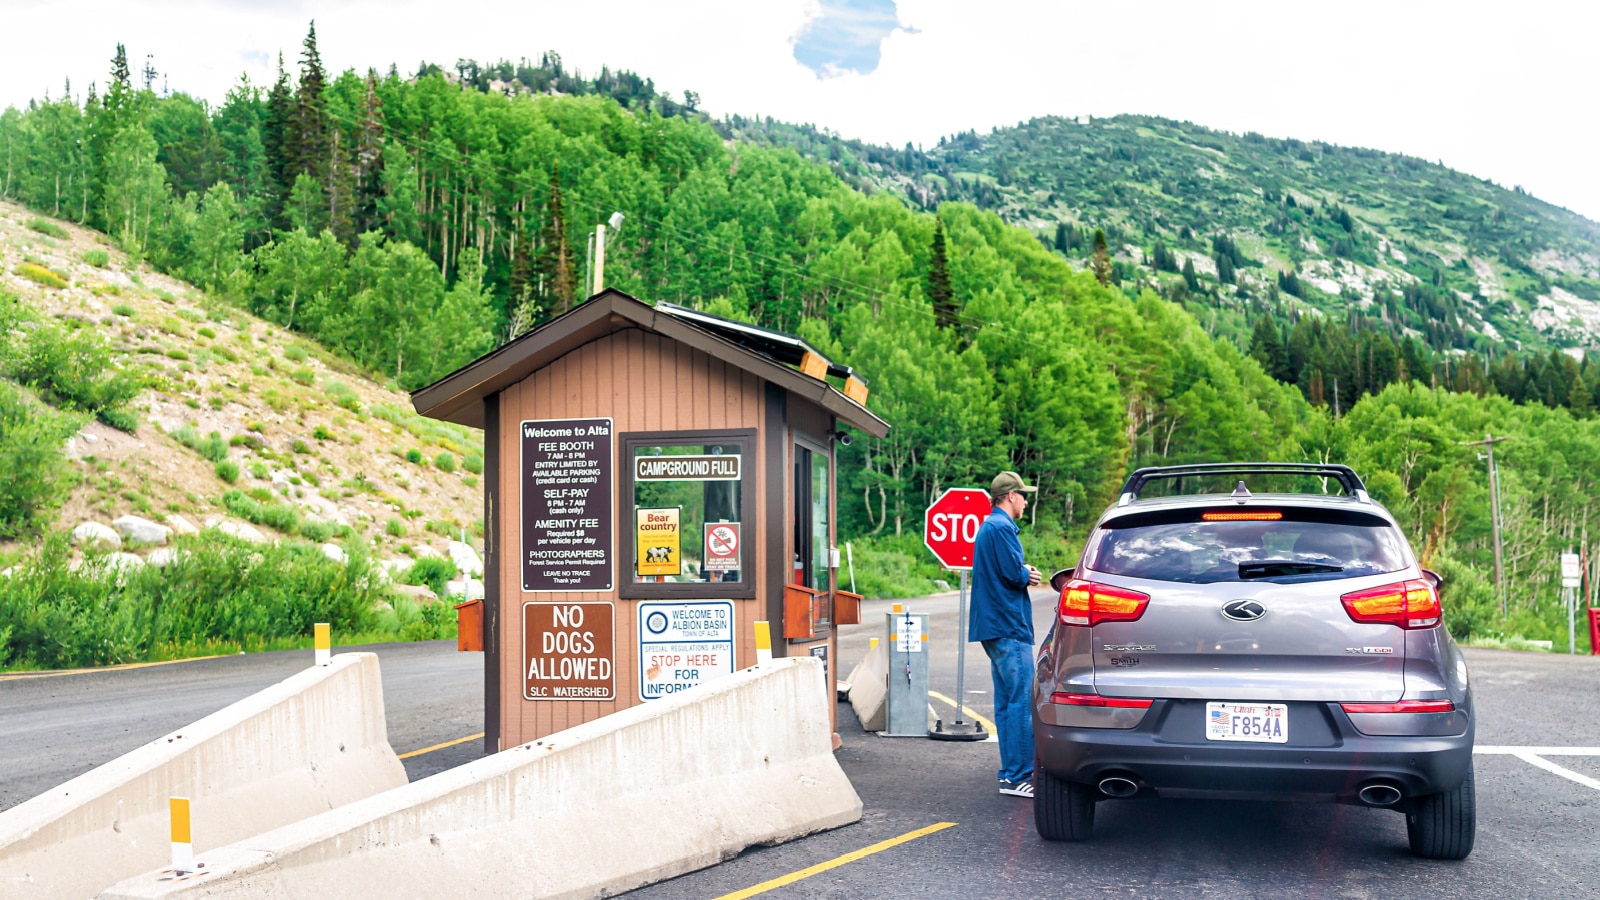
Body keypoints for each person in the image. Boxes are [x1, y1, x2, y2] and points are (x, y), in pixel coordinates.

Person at [969, 470, 1042, 798]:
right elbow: (1014, 574)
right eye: (1023, 495)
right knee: (1020, 702)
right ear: (1010, 496)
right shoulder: (1001, 529)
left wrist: (1022, 572)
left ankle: (1009, 774)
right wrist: (1027, 572)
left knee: (1006, 701)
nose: (1026, 501)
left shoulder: (989, 527)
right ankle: (1017, 776)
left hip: (994, 626)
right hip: (1008, 625)